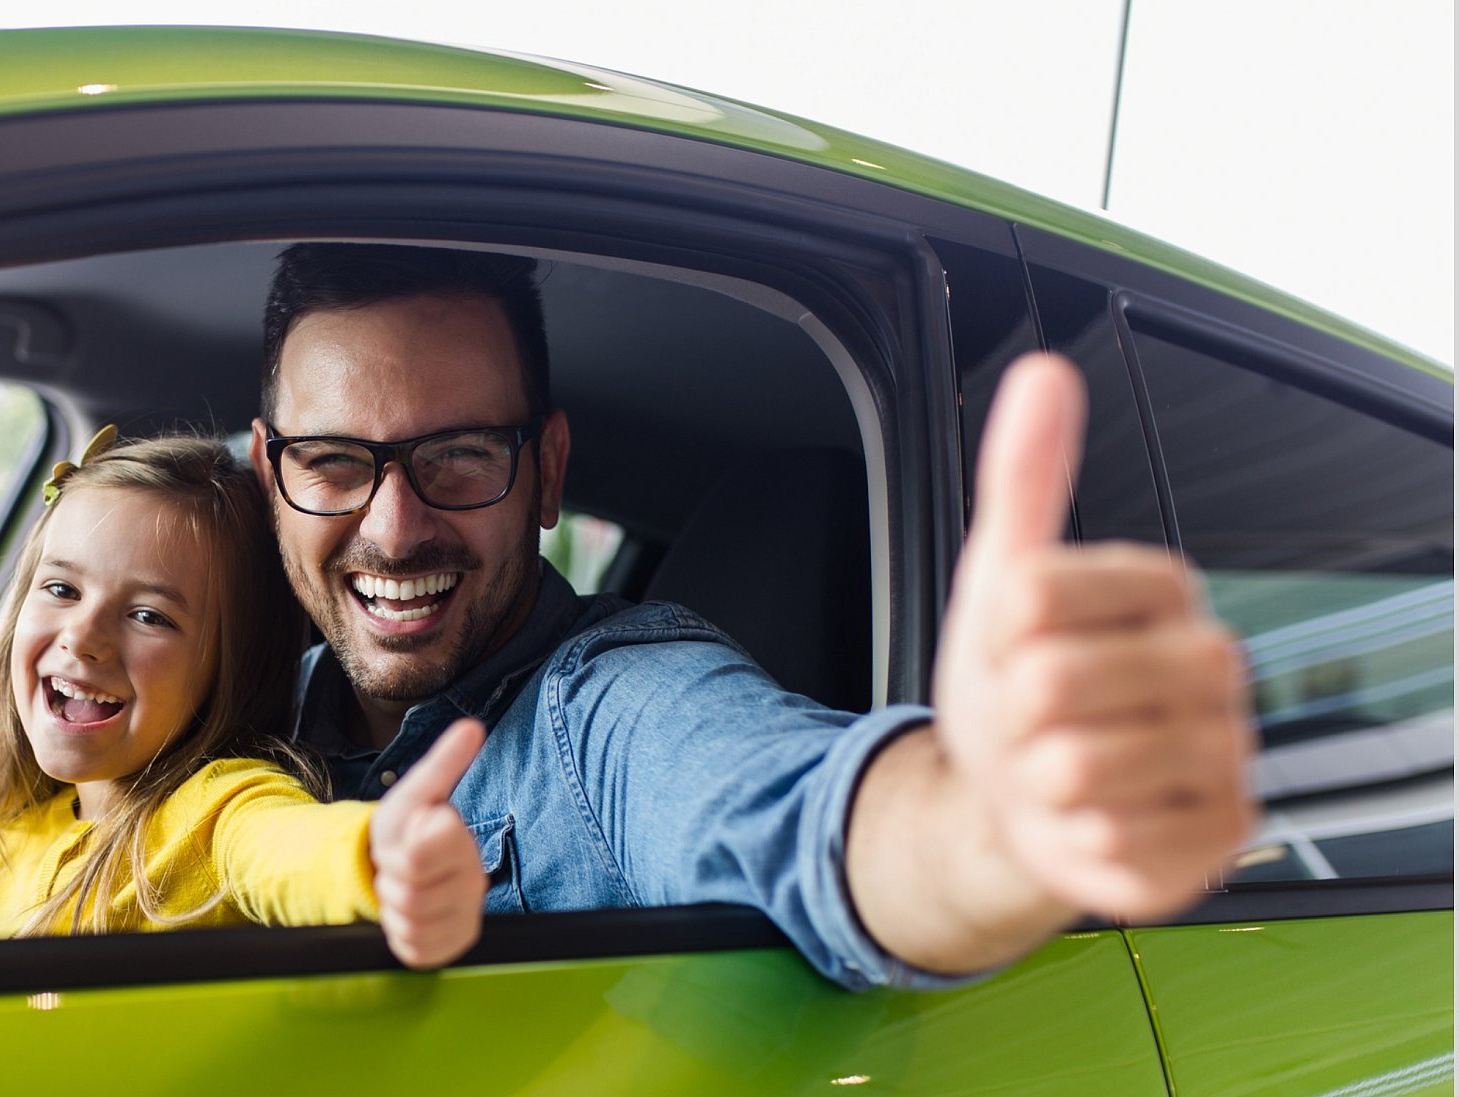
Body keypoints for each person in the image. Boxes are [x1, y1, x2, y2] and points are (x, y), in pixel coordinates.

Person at [251, 244, 1257, 988]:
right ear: (267, 472)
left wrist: (994, 825)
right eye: (332, 462)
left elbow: (797, 812)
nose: (393, 527)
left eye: (458, 455)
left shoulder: (611, 711)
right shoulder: (229, 710)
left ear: (546, 472)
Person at [0, 430, 487, 969]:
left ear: (228, 668)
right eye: (62, 589)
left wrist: (375, 857)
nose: (83, 638)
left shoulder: (210, 814)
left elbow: (284, 849)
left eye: (149, 615)